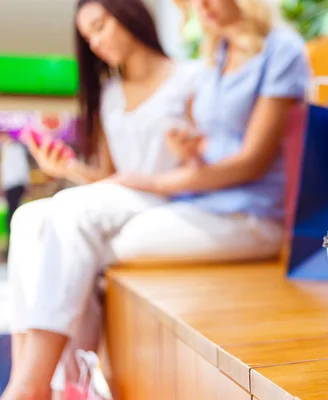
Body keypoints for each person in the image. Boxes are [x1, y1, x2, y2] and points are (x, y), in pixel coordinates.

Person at [2, 0, 201, 398]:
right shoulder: (110, 95)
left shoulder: (190, 79)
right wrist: (67, 169)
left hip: (169, 203)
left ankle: (32, 387)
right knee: (27, 217)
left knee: (70, 211)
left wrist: (187, 155)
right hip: (119, 202)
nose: (95, 43)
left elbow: (206, 162)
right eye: (88, 36)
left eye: (100, 27)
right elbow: (110, 178)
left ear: (129, 15)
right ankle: (33, 376)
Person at [108, 0, 311, 262]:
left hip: (253, 213)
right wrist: (192, 152)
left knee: (119, 243)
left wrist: (156, 183)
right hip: (204, 202)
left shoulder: (282, 50)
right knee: (104, 231)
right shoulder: (214, 58)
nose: (201, 6)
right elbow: (214, 147)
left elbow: (252, 162)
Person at [0, 133, 29, 260]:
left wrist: (26, 184)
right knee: (10, 214)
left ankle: (13, 247)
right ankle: (10, 247)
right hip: (8, 186)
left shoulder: (16, 149)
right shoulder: (5, 150)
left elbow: (23, 168)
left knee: (13, 214)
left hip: (16, 185)